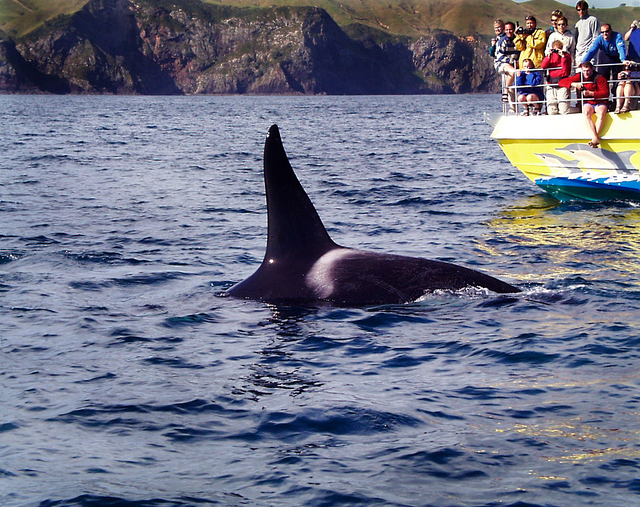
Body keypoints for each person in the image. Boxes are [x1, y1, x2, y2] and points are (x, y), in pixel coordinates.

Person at [559, 61, 609, 148]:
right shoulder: (579, 76)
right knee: (586, 113)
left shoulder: (599, 78)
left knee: (601, 113)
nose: (586, 73)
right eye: (584, 71)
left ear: (592, 70)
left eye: (588, 71)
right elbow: (561, 82)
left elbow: (605, 93)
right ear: (581, 70)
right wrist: (573, 84)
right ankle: (595, 137)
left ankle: (594, 138)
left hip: (599, 102)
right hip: (588, 102)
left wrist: (591, 93)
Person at [494, 21, 520, 112]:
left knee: (512, 87)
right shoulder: (502, 41)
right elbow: (499, 56)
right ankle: (505, 91)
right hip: (501, 63)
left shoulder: (517, 40)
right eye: (507, 30)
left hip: (514, 64)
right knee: (513, 72)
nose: (509, 31)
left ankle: (514, 109)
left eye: (511, 29)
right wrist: (512, 62)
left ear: (514, 30)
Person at [541, 40, 572, 114]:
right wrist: (548, 57)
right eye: (555, 49)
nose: (556, 51)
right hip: (551, 84)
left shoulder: (566, 56)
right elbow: (543, 66)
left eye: (558, 49)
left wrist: (563, 57)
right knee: (551, 111)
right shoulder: (550, 56)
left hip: (563, 84)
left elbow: (566, 71)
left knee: (564, 110)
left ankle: (579, 110)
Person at [574, 1, 599, 65]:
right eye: (579, 10)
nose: (581, 12)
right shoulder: (578, 23)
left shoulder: (593, 20)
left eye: (583, 9)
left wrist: (590, 51)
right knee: (579, 74)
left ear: (587, 9)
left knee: (589, 73)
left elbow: (595, 37)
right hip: (579, 53)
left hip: (589, 53)